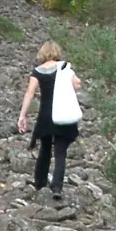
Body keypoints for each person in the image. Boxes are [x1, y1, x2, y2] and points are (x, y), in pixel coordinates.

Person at [17, 40, 81, 199]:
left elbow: (29, 93)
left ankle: (40, 184)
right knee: (60, 152)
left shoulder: (37, 71)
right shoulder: (65, 67)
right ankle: (57, 187)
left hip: (46, 115)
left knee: (44, 150)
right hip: (62, 113)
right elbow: (77, 84)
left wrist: (22, 115)